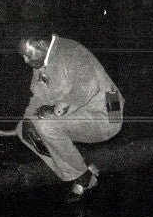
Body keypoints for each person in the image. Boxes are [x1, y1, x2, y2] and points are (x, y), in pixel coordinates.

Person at [15, 34, 124, 201]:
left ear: (42, 44)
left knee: (46, 126)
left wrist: (55, 110)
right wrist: (28, 119)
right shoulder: (43, 60)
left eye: (28, 55)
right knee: (24, 130)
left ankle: (80, 175)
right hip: (82, 112)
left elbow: (87, 86)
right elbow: (38, 96)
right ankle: (81, 170)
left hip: (109, 113)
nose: (25, 61)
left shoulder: (71, 51)